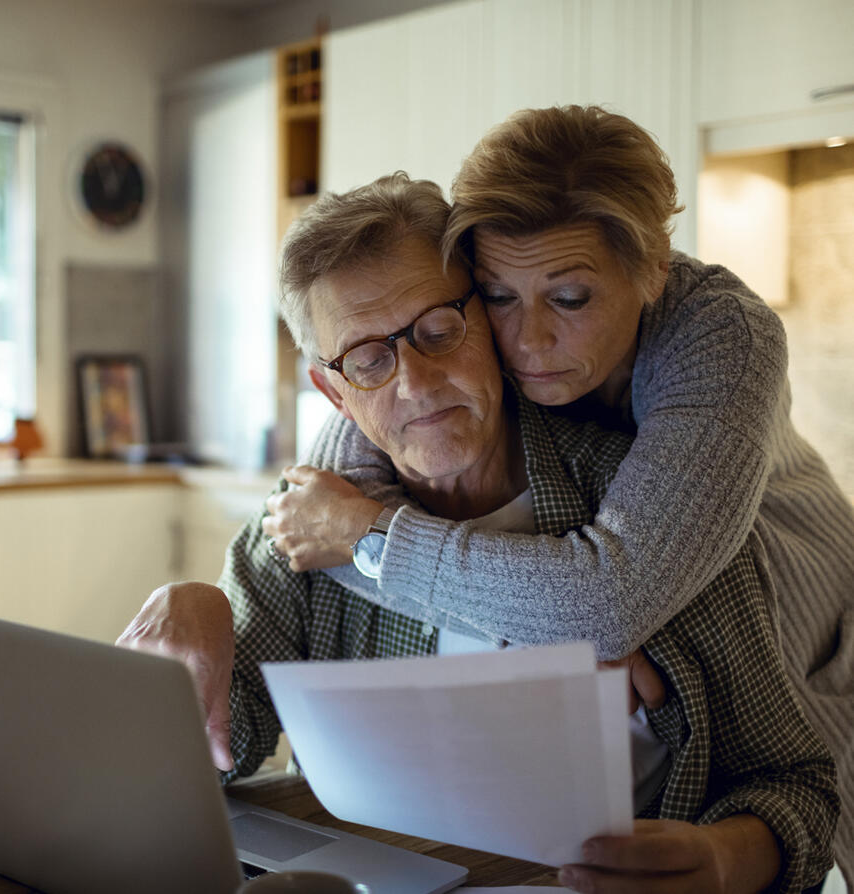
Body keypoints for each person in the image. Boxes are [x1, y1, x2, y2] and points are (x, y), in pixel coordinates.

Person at [119, 174, 837, 894]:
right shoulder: (305, 527)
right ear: (333, 391)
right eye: (370, 359)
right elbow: (222, 746)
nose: (418, 383)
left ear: (491, 323)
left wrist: (722, 860)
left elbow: (797, 787)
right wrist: (192, 604)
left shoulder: (653, 516)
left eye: (439, 330)